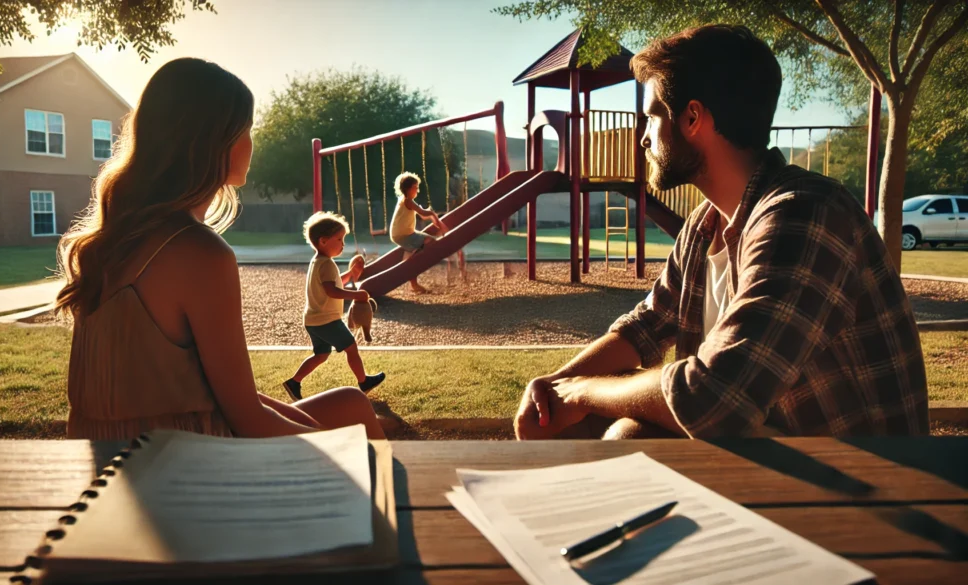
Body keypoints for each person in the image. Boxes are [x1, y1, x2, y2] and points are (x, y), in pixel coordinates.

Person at [515, 24, 928, 440]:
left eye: (651, 116)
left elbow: (714, 400)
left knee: (629, 434)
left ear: (692, 118)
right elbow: (645, 327)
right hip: (776, 452)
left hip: (867, 484)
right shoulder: (704, 224)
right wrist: (554, 388)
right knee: (588, 425)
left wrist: (583, 393)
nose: (642, 138)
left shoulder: (806, 215)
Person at [56, 58, 384, 440]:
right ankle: (381, 498)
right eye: (246, 130)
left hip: (115, 448)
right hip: (180, 460)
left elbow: (226, 394)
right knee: (358, 441)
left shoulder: (117, 240)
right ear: (213, 142)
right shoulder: (198, 252)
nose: (251, 143)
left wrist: (319, 431)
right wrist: (336, 452)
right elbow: (248, 420)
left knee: (352, 405)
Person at [282, 212, 386, 400]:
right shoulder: (327, 264)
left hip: (313, 320)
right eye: (339, 239)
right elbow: (333, 291)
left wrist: (351, 273)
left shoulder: (318, 262)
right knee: (351, 347)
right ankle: (364, 382)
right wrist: (357, 294)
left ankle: (294, 382)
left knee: (321, 355)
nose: (343, 244)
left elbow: (334, 284)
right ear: (323, 241)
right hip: (326, 320)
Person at [390, 172, 448, 293]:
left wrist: (432, 216)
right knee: (430, 241)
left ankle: (410, 255)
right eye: (415, 187)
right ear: (407, 189)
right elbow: (423, 213)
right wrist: (432, 214)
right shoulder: (408, 201)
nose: (417, 190)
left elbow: (423, 214)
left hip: (401, 234)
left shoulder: (405, 200)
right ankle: (410, 264)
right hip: (403, 235)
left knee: (426, 241)